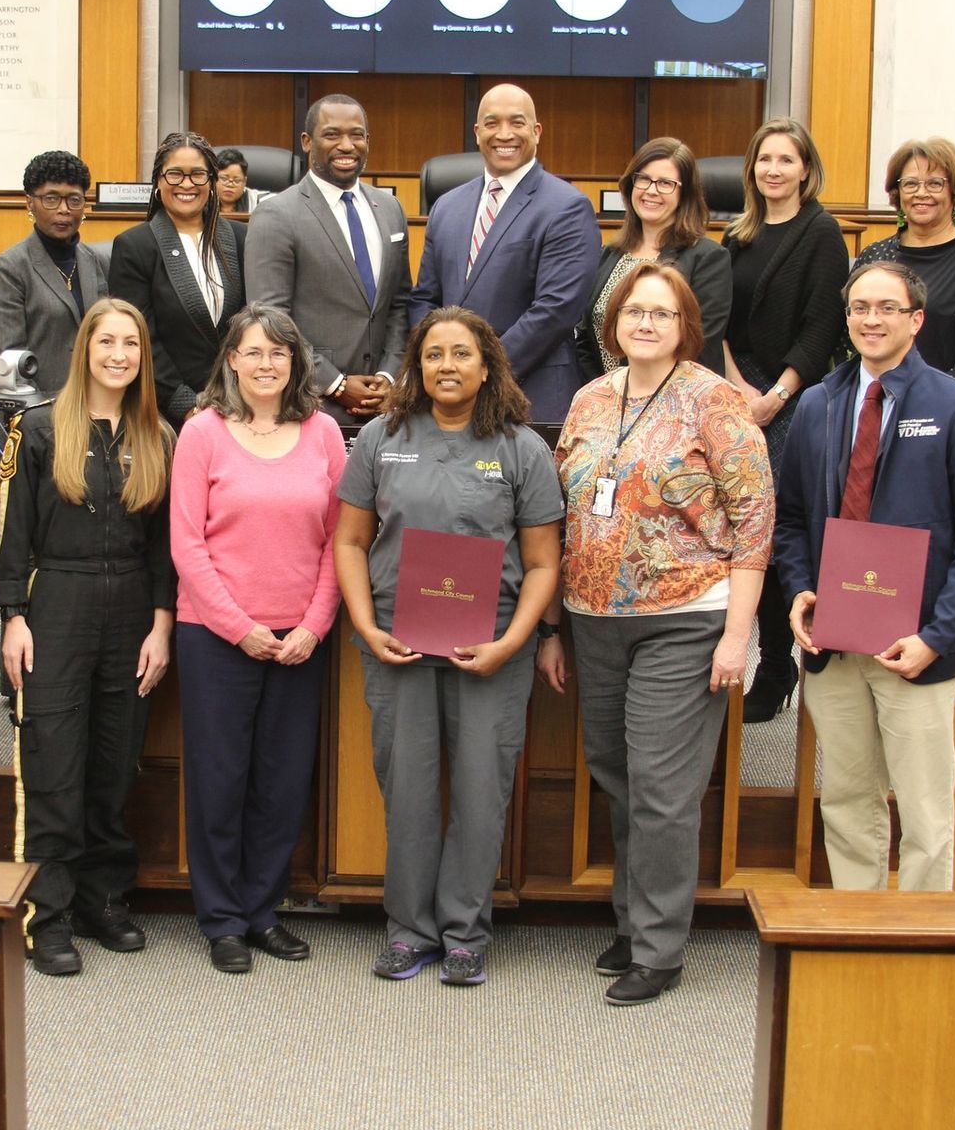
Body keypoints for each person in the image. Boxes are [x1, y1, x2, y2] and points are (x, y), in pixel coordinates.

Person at [540, 262, 773, 1005]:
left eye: (661, 314)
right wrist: (553, 627)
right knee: (618, 776)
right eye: (633, 311)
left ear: (684, 326)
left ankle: (660, 945)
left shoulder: (715, 401)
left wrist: (738, 636)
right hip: (593, 618)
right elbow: (565, 510)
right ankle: (636, 921)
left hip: (686, 617)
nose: (645, 323)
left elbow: (755, 524)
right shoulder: (588, 399)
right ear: (612, 323)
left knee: (663, 791)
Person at [335, 307, 563, 987]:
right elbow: (348, 542)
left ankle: (466, 931)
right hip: (396, 644)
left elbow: (545, 564)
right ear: (416, 365)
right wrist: (367, 627)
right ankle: (409, 930)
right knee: (405, 789)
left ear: (487, 364)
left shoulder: (522, 449)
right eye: (433, 354)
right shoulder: (381, 438)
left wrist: (513, 642)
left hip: (491, 650)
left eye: (462, 354)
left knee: (479, 788)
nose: (447, 366)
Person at [773, 260, 955, 891]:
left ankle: (920, 949)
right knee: (847, 800)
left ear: (916, 320)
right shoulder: (817, 405)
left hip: (919, 648)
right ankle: (857, 930)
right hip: (834, 646)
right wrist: (799, 589)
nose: (870, 320)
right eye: (859, 309)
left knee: (926, 813)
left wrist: (938, 634)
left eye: (886, 309)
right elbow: (790, 520)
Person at [0, 298, 175, 977]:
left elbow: (164, 545)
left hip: (131, 607)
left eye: (131, 342)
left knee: (113, 762)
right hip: (58, 605)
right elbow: (9, 531)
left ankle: (104, 900)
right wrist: (12, 616)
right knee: (54, 764)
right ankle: (51, 914)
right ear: (85, 349)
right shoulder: (38, 429)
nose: (119, 354)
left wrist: (162, 624)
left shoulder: (160, 434)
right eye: (107, 342)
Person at [172, 305, 345, 975]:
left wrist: (313, 624)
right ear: (232, 362)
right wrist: (239, 627)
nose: (267, 363)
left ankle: (263, 911)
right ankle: (221, 920)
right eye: (254, 352)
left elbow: (341, 540)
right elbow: (187, 543)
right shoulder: (202, 434)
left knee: (281, 781)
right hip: (217, 636)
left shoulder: (325, 432)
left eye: (280, 352)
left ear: (295, 363)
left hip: (300, 637)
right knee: (220, 780)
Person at [718, 117, 850, 722]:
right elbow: (712, 319)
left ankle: (777, 668)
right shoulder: (737, 235)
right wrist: (737, 387)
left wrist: (773, 395)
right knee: (736, 535)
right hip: (731, 393)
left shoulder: (820, 232)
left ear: (806, 169)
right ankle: (739, 657)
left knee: (773, 538)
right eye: (764, 160)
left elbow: (823, 325)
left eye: (786, 160)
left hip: (792, 399)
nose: (773, 169)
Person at [407, 84, 601, 422]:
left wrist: (481, 369)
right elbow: (425, 298)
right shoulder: (446, 206)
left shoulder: (567, 206)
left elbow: (555, 310)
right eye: (492, 123)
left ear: (537, 132)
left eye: (517, 123)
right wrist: (438, 364)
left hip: (528, 395)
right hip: (446, 400)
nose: (504, 134)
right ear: (477, 132)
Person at [244, 93, 411, 422]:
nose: (347, 145)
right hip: (310, 404)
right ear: (307, 142)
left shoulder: (390, 209)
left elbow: (400, 302)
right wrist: (335, 383)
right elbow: (271, 318)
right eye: (332, 134)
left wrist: (389, 376)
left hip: (384, 408)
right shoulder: (276, 215)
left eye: (357, 135)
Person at [849, 137, 955, 393]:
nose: (921, 193)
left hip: (951, 412)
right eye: (910, 183)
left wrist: (922, 404)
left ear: (954, 190)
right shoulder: (874, 255)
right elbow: (852, 339)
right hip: (878, 405)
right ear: (897, 192)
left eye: (935, 183)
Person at [108, 133, 246, 424]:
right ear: (158, 181)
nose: (186, 184)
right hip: (168, 415)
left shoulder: (240, 238)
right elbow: (140, 339)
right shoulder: (135, 247)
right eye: (174, 174)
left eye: (198, 175)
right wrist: (188, 407)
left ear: (211, 181)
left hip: (242, 407)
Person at [577, 137, 731, 379]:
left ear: (685, 193)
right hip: (609, 400)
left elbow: (698, 347)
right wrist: (606, 392)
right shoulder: (608, 254)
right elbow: (585, 337)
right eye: (644, 179)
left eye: (665, 183)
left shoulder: (708, 259)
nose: (651, 190)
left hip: (675, 402)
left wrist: (642, 394)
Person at [0, 150, 109, 394]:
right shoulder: (10, 268)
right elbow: (10, 364)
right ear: (30, 203)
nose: (64, 209)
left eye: (74, 200)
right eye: (51, 199)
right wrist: (41, 415)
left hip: (93, 406)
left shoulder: (96, 262)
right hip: (34, 413)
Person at [213, 148, 268, 215]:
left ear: (245, 181)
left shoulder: (259, 200)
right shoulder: (204, 199)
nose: (230, 185)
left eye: (236, 180)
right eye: (224, 179)